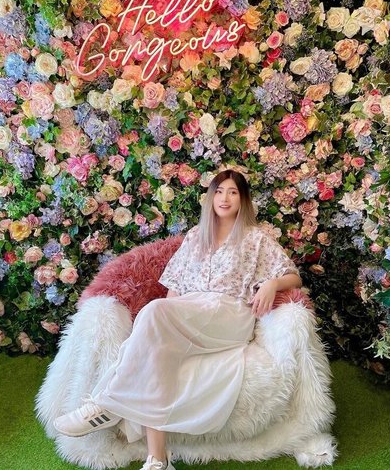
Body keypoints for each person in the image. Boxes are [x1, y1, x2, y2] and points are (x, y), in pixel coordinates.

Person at [53, 169, 302, 470]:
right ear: (211, 197)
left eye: (233, 192)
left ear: (243, 200)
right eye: (219, 191)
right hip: (190, 311)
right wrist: (163, 323)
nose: (225, 198)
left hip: (229, 315)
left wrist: (272, 284)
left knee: (155, 312)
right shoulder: (196, 237)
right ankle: (158, 459)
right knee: (154, 350)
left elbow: (294, 277)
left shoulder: (256, 239)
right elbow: (174, 288)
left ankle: (106, 403)